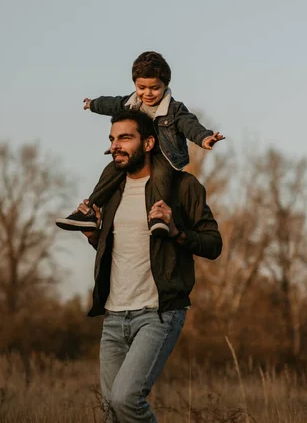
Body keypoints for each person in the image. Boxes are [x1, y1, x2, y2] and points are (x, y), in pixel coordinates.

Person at [74, 110, 222, 422]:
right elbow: (119, 249)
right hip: (114, 316)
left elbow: (213, 244)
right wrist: (93, 236)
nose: (116, 145)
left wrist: (177, 231)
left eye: (125, 138)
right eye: (113, 139)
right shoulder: (113, 190)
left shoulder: (183, 187)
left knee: (127, 400)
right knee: (111, 411)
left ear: (149, 142)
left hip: (158, 314)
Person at [56, 51, 225, 236]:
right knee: (111, 170)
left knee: (160, 175)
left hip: (163, 155)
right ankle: (88, 211)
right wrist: (93, 104)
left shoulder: (174, 109)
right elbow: (111, 104)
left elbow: (189, 124)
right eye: (142, 87)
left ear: (165, 85)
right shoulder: (131, 103)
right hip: (138, 154)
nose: (148, 93)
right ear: (135, 84)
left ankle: (158, 216)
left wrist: (204, 138)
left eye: (154, 88)